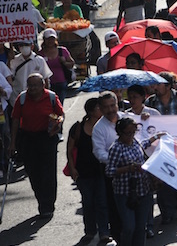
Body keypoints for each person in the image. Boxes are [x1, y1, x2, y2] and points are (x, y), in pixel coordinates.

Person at [145, 72, 177, 223]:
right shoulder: (151, 102)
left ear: (168, 86)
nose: (155, 87)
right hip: (159, 148)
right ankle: (167, 213)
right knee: (163, 180)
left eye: (159, 84)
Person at [8, 74, 64, 218]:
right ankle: (41, 198)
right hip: (28, 138)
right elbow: (15, 120)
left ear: (42, 86)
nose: (32, 88)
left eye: (35, 85)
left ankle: (47, 205)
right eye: (30, 85)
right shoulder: (22, 98)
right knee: (33, 172)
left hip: (46, 138)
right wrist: (12, 143)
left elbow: (60, 114)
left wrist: (57, 123)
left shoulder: (51, 97)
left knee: (48, 173)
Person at [105, 117, 159, 246]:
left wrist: (156, 137)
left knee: (141, 227)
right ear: (120, 132)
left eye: (132, 132)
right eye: (127, 133)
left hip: (143, 190)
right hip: (124, 193)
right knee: (129, 227)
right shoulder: (116, 148)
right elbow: (109, 171)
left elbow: (143, 144)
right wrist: (128, 168)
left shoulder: (135, 142)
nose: (130, 136)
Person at [66, 98, 112, 244]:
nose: (103, 110)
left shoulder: (105, 126)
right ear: (91, 111)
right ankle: (90, 230)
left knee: (102, 202)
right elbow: (69, 149)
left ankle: (104, 231)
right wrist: (72, 168)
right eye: (100, 108)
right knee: (88, 202)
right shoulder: (78, 127)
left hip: (100, 171)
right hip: (83, 172)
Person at [39, 28, 75, 103]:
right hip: (46, 84)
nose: (50, 41)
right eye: (48, 39)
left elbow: (71, 64)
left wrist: (64, 62)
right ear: (44, 39)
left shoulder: (62, 50)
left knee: (59, 104)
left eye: (52, 39)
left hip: (61, 83)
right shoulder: (40, 54)